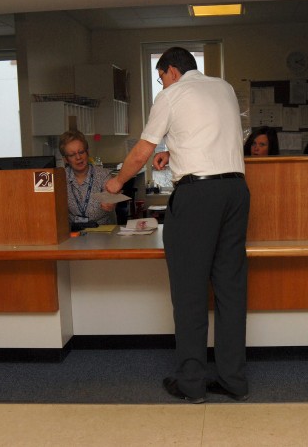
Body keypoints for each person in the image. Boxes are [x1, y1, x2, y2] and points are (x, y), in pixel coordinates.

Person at [105, 47, 250, 403]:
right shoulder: (224, 87)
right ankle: (233, 380)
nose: (161, 83)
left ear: (170, 71)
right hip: (236, 191)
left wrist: (116, 183)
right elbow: (212, 135)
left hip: (198, 196)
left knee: (189, 293)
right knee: (230, 291)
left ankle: (191, 383)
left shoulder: (172, 94)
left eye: (160, 77)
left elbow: (141, 151)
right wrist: (177, 151)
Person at [59, 130, 116, 230]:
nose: (78, 157)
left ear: (87, 152)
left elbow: (110, 196)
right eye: (72, 155)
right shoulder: (60, 177)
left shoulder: (103, 175)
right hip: (73, 233)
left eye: (81, 152)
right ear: (65, 159)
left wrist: (111, 202)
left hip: (102, 232)